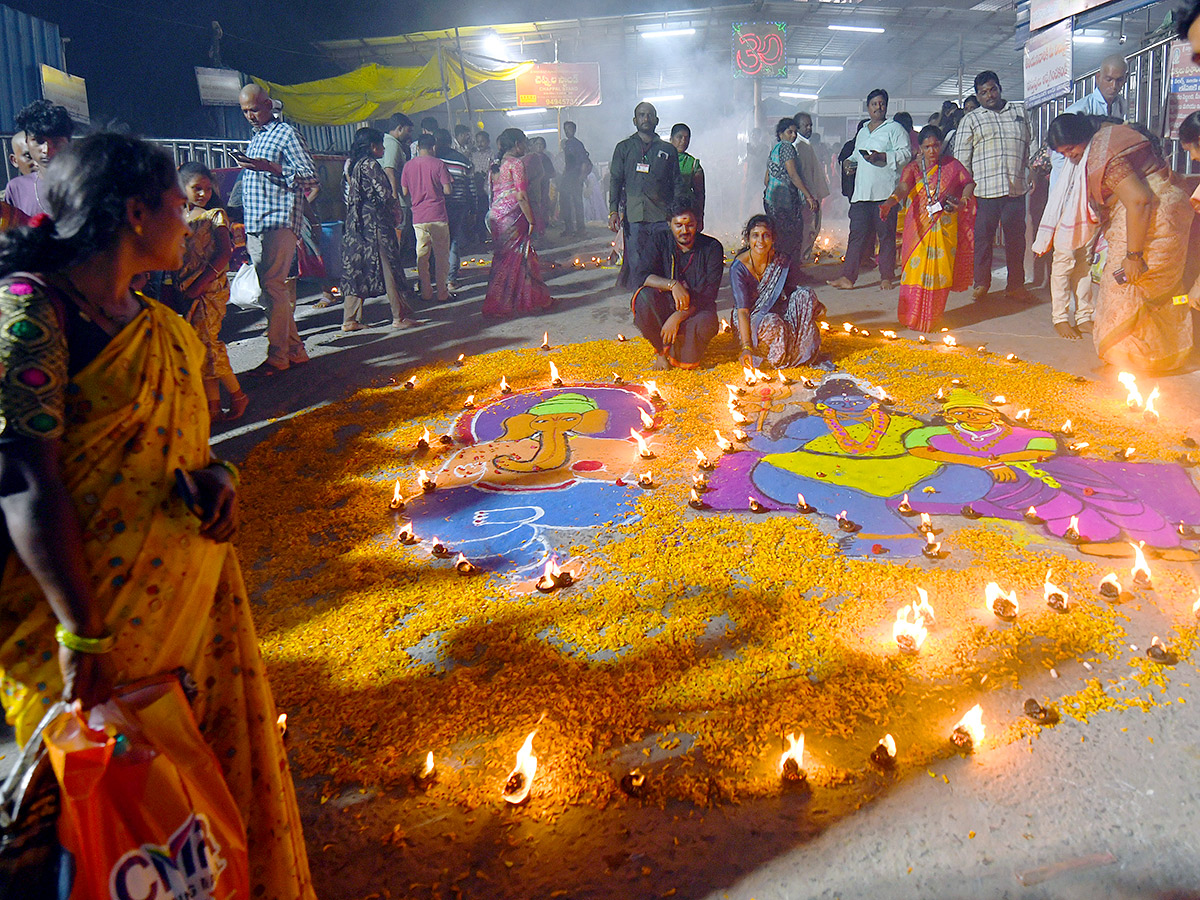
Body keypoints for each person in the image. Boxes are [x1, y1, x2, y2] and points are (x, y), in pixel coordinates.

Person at [0, 131, 315, 896]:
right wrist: (83, 634)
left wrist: (215, 477)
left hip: (184, 606)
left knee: (179, 797)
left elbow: (179, 456)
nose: (191, 216)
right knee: (74, 820)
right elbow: (24, 482)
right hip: (78, 621)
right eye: (180, 202)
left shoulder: (157, 320)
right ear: (136, 213)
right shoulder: (30, 314)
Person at [1047, 113, 1197, 373]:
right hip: (1168, 212)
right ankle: (1158, 358)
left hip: (1152, 222)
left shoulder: (1102, 153)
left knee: (1126, 288)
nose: (1071, 158)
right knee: (1151, 289)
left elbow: (1139, 200)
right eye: (1064, 154)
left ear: (1081, 138)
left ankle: (1134, 361)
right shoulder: (1109, 133)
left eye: (1071, 150)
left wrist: (1133, 255)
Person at [236, 83, 318, 375]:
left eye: (254, 109)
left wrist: (272, 167)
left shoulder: (286, 134)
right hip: (257, 221)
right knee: (273, 289)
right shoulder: (256, 138)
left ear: (269, 105)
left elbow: (310, 175)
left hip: (279, 220)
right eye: (245, 111)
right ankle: (295, 350)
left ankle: (277, 354)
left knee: (273, 287)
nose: (250, 116)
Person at [878, 125, 976, 332]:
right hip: (918, 228)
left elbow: (968, 182)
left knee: (941, 272)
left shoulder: (953, 165)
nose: (932, 151)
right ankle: (910, 317)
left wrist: (964, 200)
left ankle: (933, 318)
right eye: (927, 147)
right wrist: (890, 202)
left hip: (945, 226)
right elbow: (904, 187)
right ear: (920, 148)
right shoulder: (913, 168)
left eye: (936, 146)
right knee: (914, 272)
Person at [177, 161, 247, 421]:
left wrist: (201, 283)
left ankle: (237, 394)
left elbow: (225, 253)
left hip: (209, 289)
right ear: (181, 187)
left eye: (207, 188)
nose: (203, 194)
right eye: (196, 188)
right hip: (187, 289)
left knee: (209, 345)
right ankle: (213, 406)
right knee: (199, 346)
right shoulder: (179, 217)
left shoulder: (215, 215)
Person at [953, 71, 1032, 301]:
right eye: (983, 92)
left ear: (1000, 87)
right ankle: (981, 284)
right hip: (984, 191)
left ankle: (1016, 286)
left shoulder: (1019, 112)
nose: (989, 95)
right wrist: (964, 190)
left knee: (1016, 240)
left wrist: (1031, 174)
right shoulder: (971, 120)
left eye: (992, 89)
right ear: (977, 96)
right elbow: (961, 159)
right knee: (983, 240)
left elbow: (1030, 143)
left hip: (1015, 188)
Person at [828, 90, 911, 291]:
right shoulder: (863, 131)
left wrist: (882, 156)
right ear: (868, 107)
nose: (878, 107)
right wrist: (849, 162)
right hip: (861, 194)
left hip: (885, 194)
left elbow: (906, 154)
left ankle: (886, 277)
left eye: (881, 104)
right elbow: (856, 155)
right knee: (856, 236)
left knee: (886, 236)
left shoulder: (895, 129)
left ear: (886, 106)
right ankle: (848, 277)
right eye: (874, 104)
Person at [630, 200, 722, 369]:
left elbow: (709, 294)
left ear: (698, 224)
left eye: (690, 225)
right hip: (665, 306)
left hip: (696, 310)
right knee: (643, 297)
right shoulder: (659, 241)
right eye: (678, 225)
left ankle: (678, 345)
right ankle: (661, 351)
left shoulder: (712, 247)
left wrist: (677, 317)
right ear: (669, 224)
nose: (684, 231)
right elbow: (641, 276)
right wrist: (673, 285)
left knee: (687, 363)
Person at [341, 127, 416, 330]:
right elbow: (383, 194)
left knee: (357, 269)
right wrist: (394, 208)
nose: (383, 148)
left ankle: (350, 319)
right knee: (390, 267)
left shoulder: (353, 165)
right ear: (373, 147)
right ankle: (399, 317)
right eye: (381, 145)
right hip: (376, 224)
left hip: (357, 224)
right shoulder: (371, 165)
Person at [730, 213, 825, 368]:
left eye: (765, 236)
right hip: (749, 317)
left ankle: (797, 345)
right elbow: (742, 311)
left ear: (773, 239)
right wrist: (746, 346)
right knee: (775, 323)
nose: (760, 241)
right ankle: (773, 354)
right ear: (748, 239)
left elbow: (792, 290)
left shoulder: (781, 260)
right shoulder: (739, 268)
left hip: (776, 309)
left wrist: (815, 306)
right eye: (755, 236)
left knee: (806, 295)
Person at [609, 102, 683, 290]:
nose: (646, 119)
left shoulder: (668, 150)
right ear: (635, 120)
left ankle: (664, 298)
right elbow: (616, 180)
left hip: (662, 217)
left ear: (657, 120)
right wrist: (613, 211)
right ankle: (639, 302)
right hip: (634, 218)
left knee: (664, 260)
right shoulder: (624, 148)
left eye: (650, 115)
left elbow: (677, 184)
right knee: (636, 263)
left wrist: (676, 214)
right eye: (642, 115)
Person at [483, 127, 553, 317]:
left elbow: (490, 193)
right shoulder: (516, 164)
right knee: (520, 259)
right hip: (513, 219)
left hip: (496, 218)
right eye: (524, 142)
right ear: (516, 144)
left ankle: (529, 298)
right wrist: (531, 220)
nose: (525, 146)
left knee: (505, 259)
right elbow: (521, 196)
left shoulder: (494, 166)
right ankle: (519, 301)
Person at [1049, 55, 1129, 186]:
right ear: (1098, 78)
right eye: (1109, 79)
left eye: (1119, 80)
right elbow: (1057, 157)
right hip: (1069, 183)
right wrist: (1080, 178)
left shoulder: (1120, 104)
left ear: (1125, 79)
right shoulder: (1079, 111)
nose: (1114, 86)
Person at [401, 133, 453, 304]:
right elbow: (448, 190)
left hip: (418, 217)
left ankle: (426, 292)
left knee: (422, 256)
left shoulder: (408, 166)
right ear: (434, 147)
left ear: (417, 147)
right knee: (441, 256)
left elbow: (405, 192)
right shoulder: (439, 164)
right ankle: (442, 293)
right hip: (437, 215)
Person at [5, 101, 74, 219]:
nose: (46, 150)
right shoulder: (17, 188)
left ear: (68, 142)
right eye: (39, 141)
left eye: (56, 142)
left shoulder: (86, 184)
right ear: (27, 141)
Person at [763, 117, 817, 263]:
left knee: (778, 238)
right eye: (789, 132)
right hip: (786, 204)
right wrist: (808, 196)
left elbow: (766, 180)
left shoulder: (774, 149)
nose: (793, 135)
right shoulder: (787, 148)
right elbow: (793, 175)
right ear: (781, 134)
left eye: (794, 132)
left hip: (771, 202)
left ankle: (778, 274)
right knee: (792, 239)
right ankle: (792, 274)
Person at [435, 127, 473, 293]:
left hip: (438, 206)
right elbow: (470, 187)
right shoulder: (463, 160)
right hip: (459, 205)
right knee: (454, 242)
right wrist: (474, 208)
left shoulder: (433, 161)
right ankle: (451, 280)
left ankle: (436, 278)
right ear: (451, 142)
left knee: (437, 243)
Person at [794, 112, 830, 261]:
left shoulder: (807, 145)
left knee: (813, 228)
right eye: (805, 125)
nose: (809, 128)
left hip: (813, 194)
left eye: (810, 125)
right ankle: (800, 262)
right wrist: (808, 196)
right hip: (806, 197)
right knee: (807, 230)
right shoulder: (797, 146)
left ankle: (802, 260)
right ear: (797, 127)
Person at [670, 123, 706, 229]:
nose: (683, 141)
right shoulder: (661, 158)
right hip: (663, 214)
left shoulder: (693, 164)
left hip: (685, 214)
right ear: (671, 138)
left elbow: (700, 194)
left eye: (687, 138)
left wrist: (699, 217)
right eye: (679, 137)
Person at [559, 120, 590, 237]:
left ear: (574, 130)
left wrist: (582, 176)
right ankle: (569, 228)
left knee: (577, 202)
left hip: (575, 177)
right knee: (566, 202)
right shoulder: (567, 144)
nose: (567, 131)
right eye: (565, 129)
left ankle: (580, 229)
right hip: (568, 176)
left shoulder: (577, 144)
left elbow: (583, 161)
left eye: (569, 129)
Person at [525, 136, 555, 242]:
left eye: (541, 144)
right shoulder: (529, 157)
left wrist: (542, 176)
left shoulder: (545, 158)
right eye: (537, 144)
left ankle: (541, 228)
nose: (539, 146)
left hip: (542, 185)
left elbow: (552, 172)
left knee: (541, 205)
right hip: (531, 186)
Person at [471, 130, 494, 243]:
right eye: (478, 142)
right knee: (479, 213)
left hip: (488, 189)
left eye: (482, 141)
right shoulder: (473, 155)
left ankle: (490, 235)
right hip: (477, 188)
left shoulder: (492, 155)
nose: (480, 144)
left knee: (488, 212)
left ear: (488, 142)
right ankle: (481, 237)